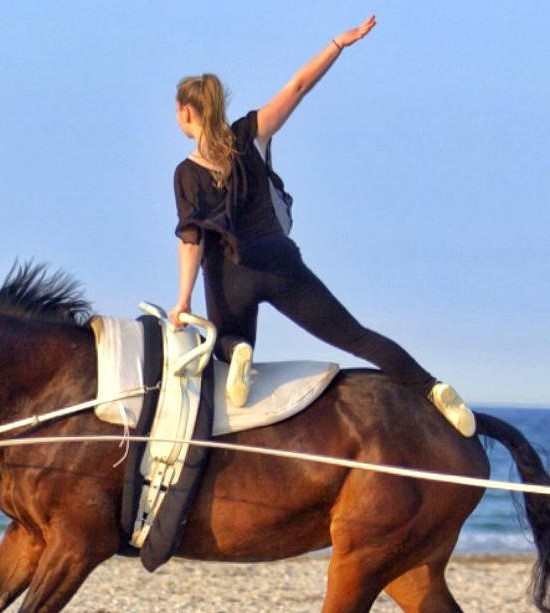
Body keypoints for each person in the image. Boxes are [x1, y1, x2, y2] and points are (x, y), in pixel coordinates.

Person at [168, 14, 476, 437]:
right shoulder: (250, 134)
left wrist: (182, 300)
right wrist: (338, 44)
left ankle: (239, 350)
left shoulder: (186, 172)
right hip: (280, 262)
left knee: (224, 348)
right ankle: (434, 388)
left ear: (185, 111)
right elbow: (298, 86)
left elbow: (192, 238)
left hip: (230, 273)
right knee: (356, 336)